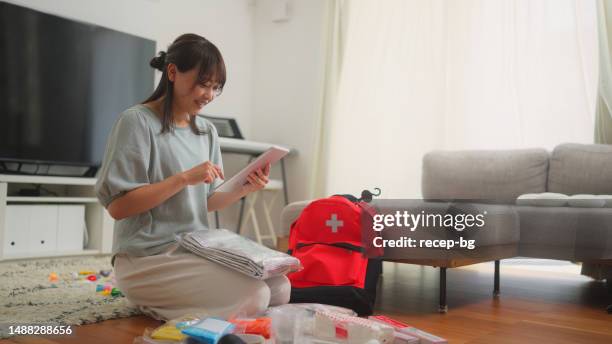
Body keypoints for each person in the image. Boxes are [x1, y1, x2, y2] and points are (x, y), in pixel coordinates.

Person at [95, 33, 290, 321]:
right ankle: (153, 304)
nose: (208, 95)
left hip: (192, 249)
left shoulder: (206, 131)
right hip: (145, 258)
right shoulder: (136, 122)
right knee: (256, 296)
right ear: (172, 72)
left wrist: (244, 187)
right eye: (203, 84)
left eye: (215, 87)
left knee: (279, 287)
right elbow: (119, 207)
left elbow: (206, 202)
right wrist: (183, 178)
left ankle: (191, 305)